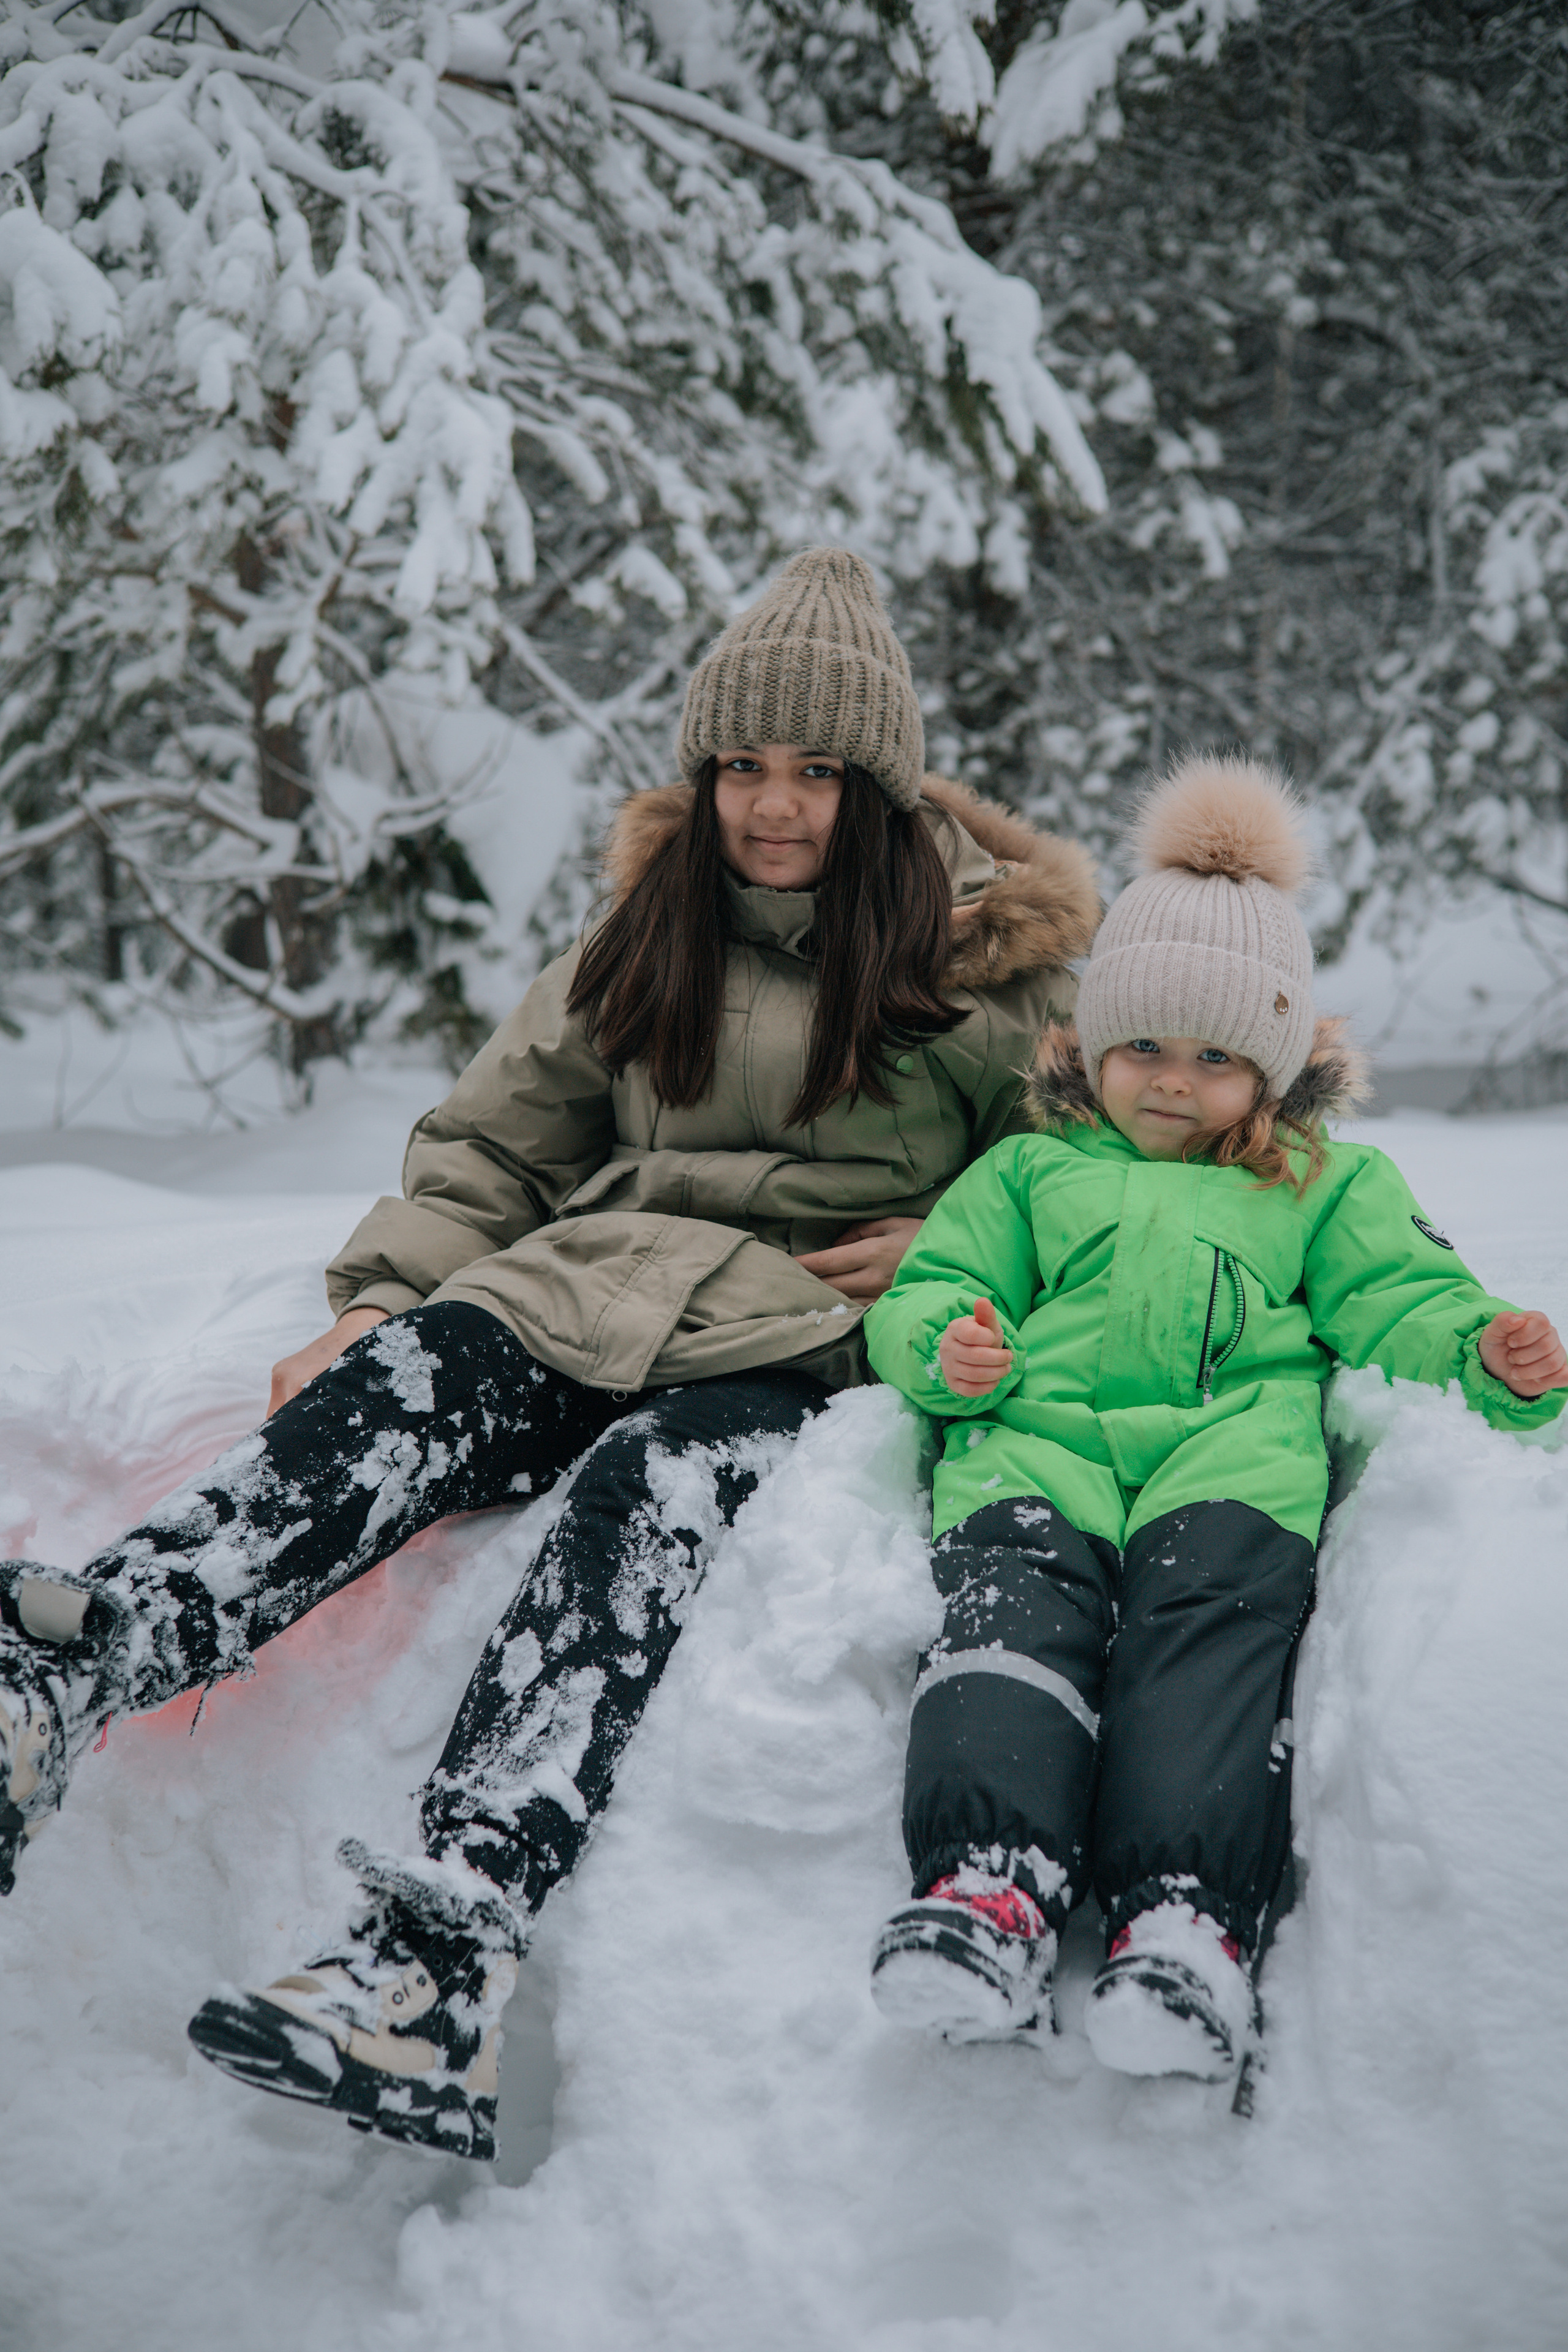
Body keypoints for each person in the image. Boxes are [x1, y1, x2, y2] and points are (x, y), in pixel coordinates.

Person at [0, 548, 1099, 2160]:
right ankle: (87, 1658)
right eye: (742, 767)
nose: (773, 806)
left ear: (876, 787)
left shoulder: (988, 976)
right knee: (412, 1381)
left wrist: (956, 1249)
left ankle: (448, 1947)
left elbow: (1100, 1191)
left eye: (813, 772)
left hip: (804, 1340)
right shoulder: (643, 939)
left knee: (639, 1505)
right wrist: (382, 1300)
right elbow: (490, 1157)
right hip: (585, 1291)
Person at [861, 751, 1568, 2083]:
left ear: (1277, 1068)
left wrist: (1486, 1352)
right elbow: (932, 1284)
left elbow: (1399, 1298)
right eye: (1141, 1045)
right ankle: (984, 1887)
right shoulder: (1026, 1171)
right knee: (1008, 1631)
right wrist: (943, 1351)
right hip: (1037, 1455)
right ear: (1089, 1042)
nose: (1171, 1081)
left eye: (1215, 1056)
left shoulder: (1318, 1184)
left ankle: (1181, 1918)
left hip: (1227, 1476)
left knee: (1205, 1662)